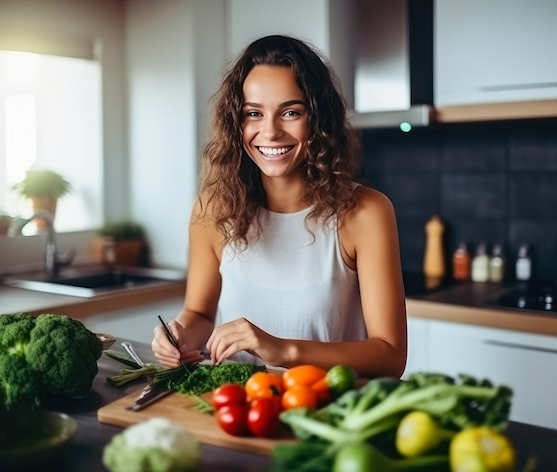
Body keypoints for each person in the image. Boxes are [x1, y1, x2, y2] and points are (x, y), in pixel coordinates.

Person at [151, 34, 407, 378]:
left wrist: (282, 349)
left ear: (318, 118)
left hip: (324, 412)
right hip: (234, 409)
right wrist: (178, 334)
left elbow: (390, 355)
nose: (269, 132)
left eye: (290, 112)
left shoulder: (365, 212)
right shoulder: (212, 209)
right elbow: (199, 313)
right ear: (236, 123)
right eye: (253, 113)